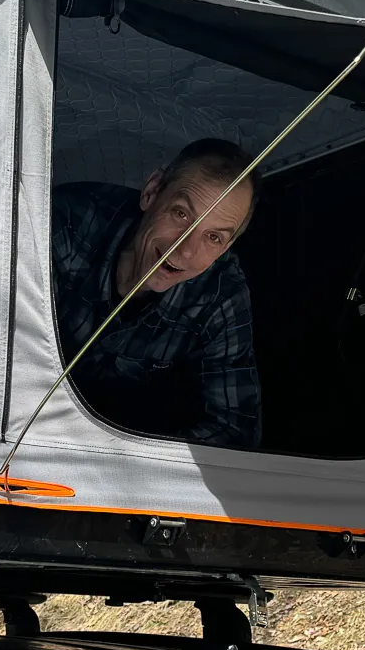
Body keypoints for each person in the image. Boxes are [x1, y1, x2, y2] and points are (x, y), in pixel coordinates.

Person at [51, 138, 261, 449]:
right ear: (151, 192)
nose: (185, 250)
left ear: (227, 247)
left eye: (213, 237)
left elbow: (235, 429)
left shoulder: (221, 294)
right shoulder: (69, 221)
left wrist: (131, 458)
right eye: (181, 214)